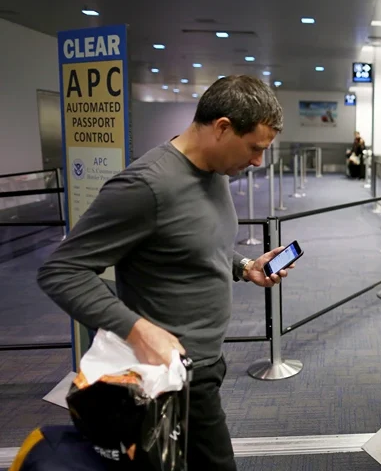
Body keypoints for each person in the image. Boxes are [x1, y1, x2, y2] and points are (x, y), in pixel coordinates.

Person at [37, 75, 291, 471]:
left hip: (206, 363)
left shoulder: (215, 171)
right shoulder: (146, 185)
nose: (258, 161)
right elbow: (61, 270)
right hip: (169, 375)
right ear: (222, 128)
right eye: (255, 148)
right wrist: (138, 329)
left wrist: (244, 266)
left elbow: (196, 242)